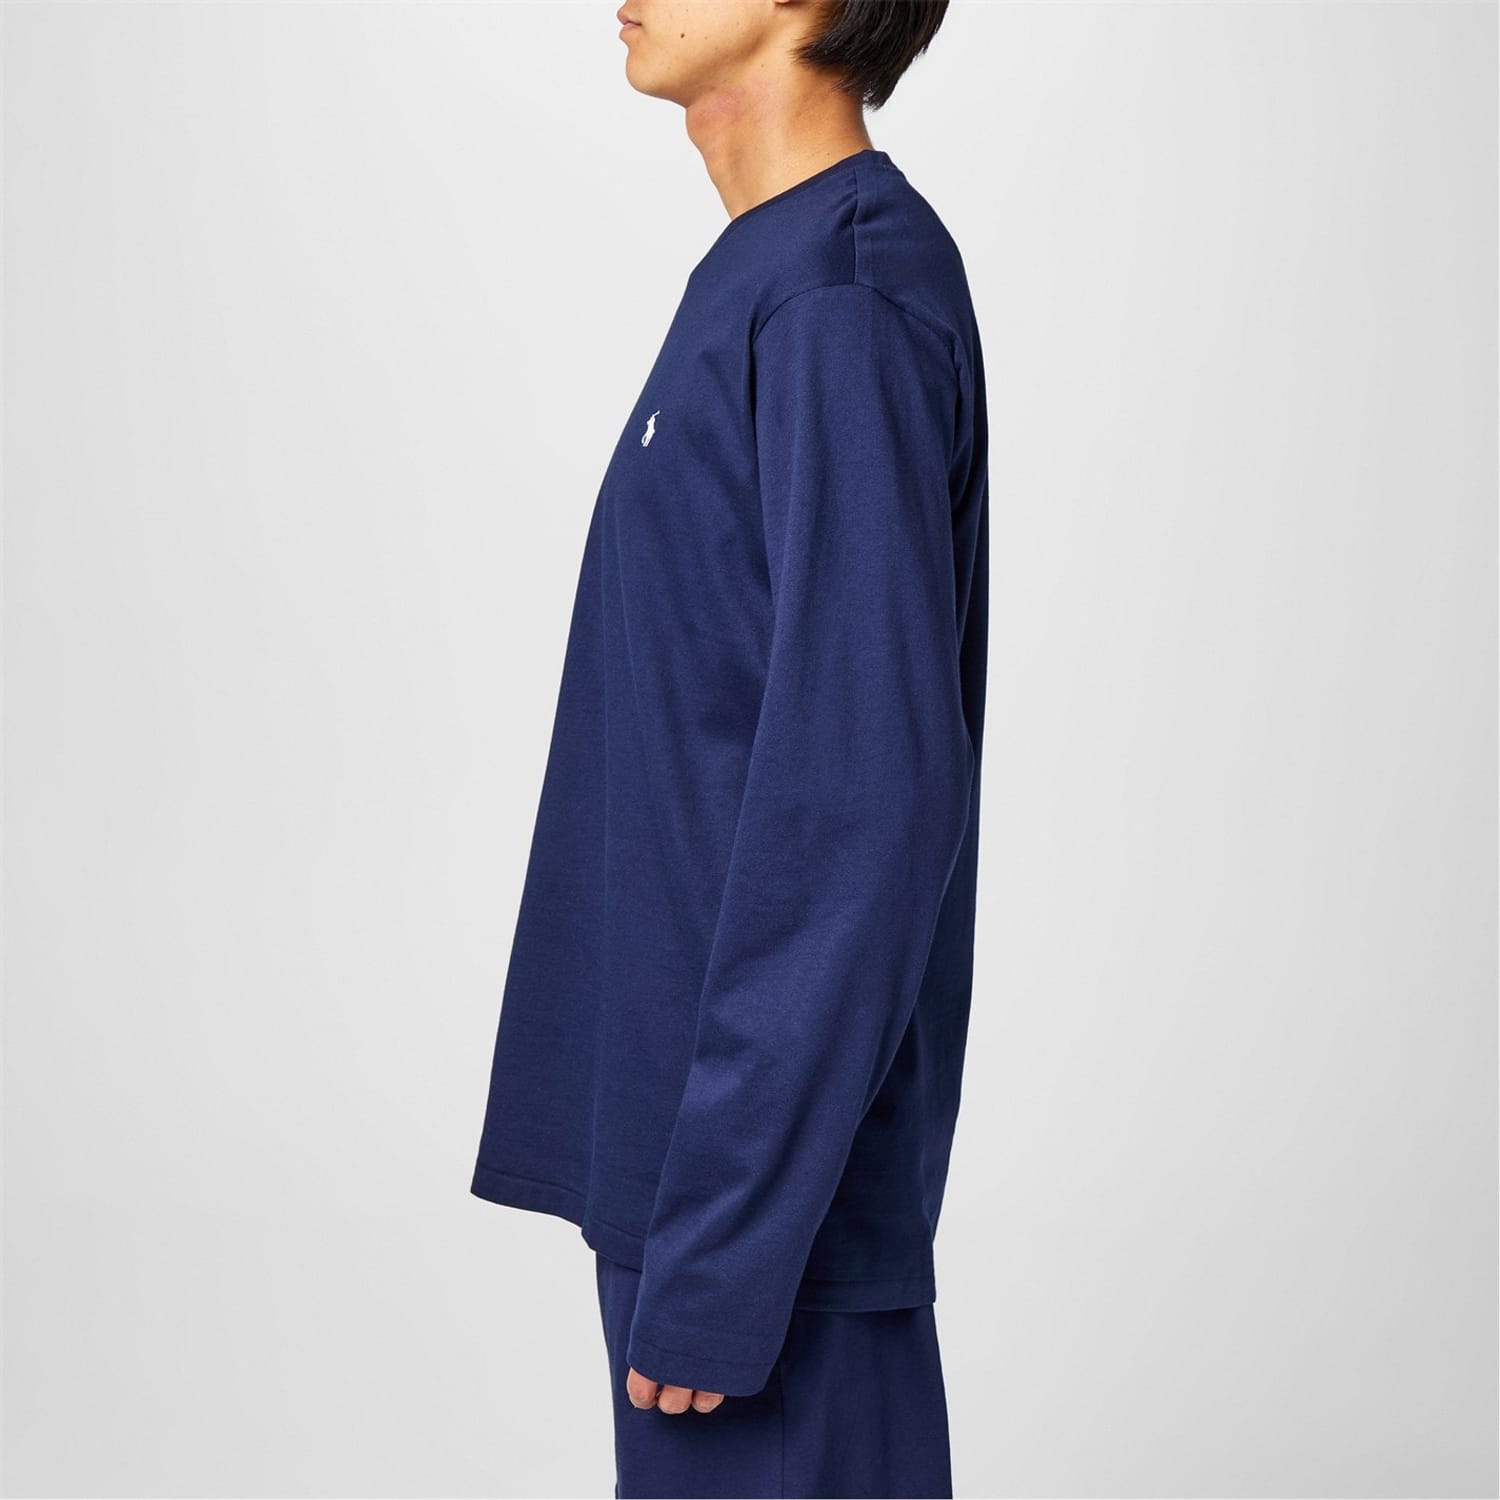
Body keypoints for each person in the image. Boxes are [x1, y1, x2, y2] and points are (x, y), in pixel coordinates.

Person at [470, 1, 988, 1494]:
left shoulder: (840, 296)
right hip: (693, 1172)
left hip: (760, 1220)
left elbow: (865, 811)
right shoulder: (766, 274)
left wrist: (729, 1245)